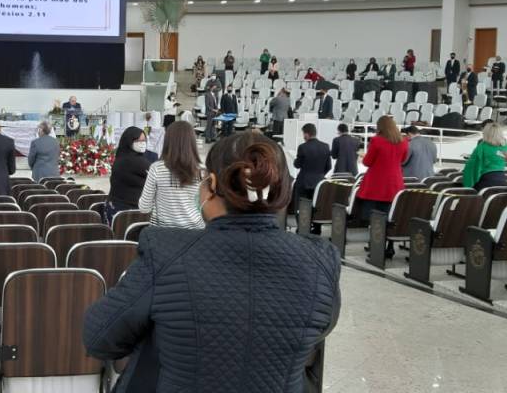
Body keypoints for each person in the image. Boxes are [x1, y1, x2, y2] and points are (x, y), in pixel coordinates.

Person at [84, 130, 341, 392]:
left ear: (211, 185)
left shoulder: (164, 252)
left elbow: (98, 337)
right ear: (281, 189)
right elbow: (316, 334)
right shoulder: (319, 260)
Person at [356, 115, 409, 257]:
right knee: (390, 216)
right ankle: (390, 246)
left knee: (375, 218)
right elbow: (403, 160)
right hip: (395, 184)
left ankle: (376, 247)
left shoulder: (377, 141)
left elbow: (367, 162)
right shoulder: (403, 142)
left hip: (376, 184)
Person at [138, 121, 203, 230]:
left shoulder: (157, 168)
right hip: (196, 231)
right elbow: (204, 205)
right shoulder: (202, 170)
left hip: (163, 232)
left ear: (168, 141)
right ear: (192, 141)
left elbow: (144, 208)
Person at [105, 127, 152, 223]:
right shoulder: (134, 161)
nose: (142, 143)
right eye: (138, 140)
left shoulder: (122, 156)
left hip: (116, 208)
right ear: (129, 141)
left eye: (144, 140)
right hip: (127, 213)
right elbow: (157, 175)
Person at [292, 123, 331, 221]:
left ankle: (302, 225)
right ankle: (316, 228)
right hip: (320, 183)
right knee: (317, 205)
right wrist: (320, 175)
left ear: (306, 134)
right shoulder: (326, 146)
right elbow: (329, 166)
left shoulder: (302, 147)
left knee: (300, 206)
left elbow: (297, 165)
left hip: (304, 182)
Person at [462, 122, 507, 190]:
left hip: (487, 180)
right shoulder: (505, 146)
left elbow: (473, 166)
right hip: (502, 180)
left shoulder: (482, 146)